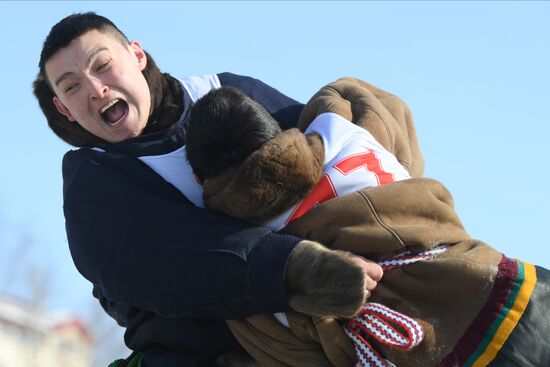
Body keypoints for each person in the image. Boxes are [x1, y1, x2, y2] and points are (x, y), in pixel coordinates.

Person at [33, 12, 385, 366]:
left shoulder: (223, 91)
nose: (96, 89)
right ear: (64, 109)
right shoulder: (93, 179)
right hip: (208, 352)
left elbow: (325, 153)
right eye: (72, 86)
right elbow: (170, 263)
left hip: (347, 297)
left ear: (137, 55)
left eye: (102, 65)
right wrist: (297, 270)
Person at [184, 80, 550, 367]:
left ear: (202, 182)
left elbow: (293, 354)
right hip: (511, 293)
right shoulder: (344, 135)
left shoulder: (255, 251)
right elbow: (361, 95)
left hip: (429, 353)